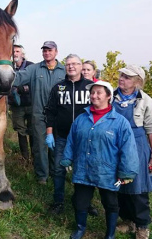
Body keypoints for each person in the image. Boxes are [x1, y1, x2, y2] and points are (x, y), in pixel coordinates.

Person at [60, 81, 139, 239]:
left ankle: (110, 234)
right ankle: (80, 228)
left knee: (110, 203)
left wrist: (127, 172)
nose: (94, 96)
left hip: (107, 171)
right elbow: (71, 140)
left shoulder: (119, 122)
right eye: (92, 93)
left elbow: (128, 148)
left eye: (98, 93)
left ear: (108, 96)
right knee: (80, 202)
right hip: (83, 168)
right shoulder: (81, 119)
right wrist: (67, 158)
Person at [44, 54, 94, 215]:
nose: (71, 66)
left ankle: (85, 203)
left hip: (85, 139)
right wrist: (49, 133)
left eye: (75, 64)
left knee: (84, 171)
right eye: (68, 64)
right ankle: (58, 201)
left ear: (81, 66)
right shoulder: (58, 88)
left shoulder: (90, 87)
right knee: (58, 169)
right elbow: (50, 112)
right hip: (62, 137)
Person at [13, 41, 66, 184]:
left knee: (57, 145)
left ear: (56, 52)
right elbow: (18, 77)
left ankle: (56, 173)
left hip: (58, 116)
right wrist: (3, 74)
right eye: (44, 50)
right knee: (40, 146)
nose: (47, 53)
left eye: (50, 50)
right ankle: (42, 175)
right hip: (39, 114)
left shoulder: (64, 70)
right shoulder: (35, 69)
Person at [113, 65, 152, 239]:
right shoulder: (111, 96)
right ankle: (127, 220)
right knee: (119, 185)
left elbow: (151, 129)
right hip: (115, 144)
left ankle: (142, 226)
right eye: (122, 75)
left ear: (137, 82)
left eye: (127, 77)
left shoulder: (145, 100)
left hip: (137, 145)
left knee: (138, 187)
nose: (122, 78)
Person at [8, 44, 34, 160]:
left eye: (18, 51)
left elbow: (34, 84)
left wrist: (21, 88)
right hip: (16, 106)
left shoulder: (31, 66)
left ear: (22, 54)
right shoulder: (8, 67)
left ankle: (34, 157)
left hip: (31, 104)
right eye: (13, 51)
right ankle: (25, 158)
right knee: (20, 131)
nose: (15, 53)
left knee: (33, 131)